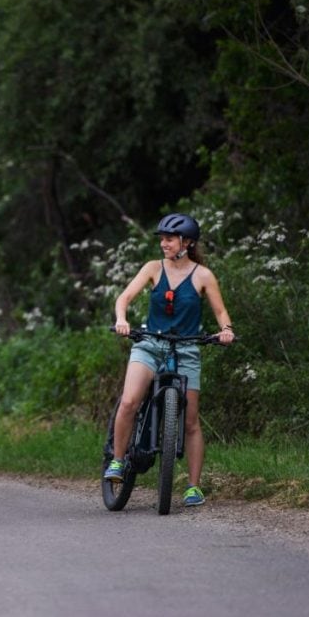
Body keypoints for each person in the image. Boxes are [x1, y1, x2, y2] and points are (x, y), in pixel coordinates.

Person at [104, 213, 235, 506]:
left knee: (191, 423)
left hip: (187, 348)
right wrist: (122, 319)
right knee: (129, 402)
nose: (163, 243)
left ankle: (192, 487)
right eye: (162, 238)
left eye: (169, 239)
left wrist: (226, 331)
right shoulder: (152, 268)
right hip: (150, 344)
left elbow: (221, 312)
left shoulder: (203, 276)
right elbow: (124, 298)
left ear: (186, 243)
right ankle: (117, 460)